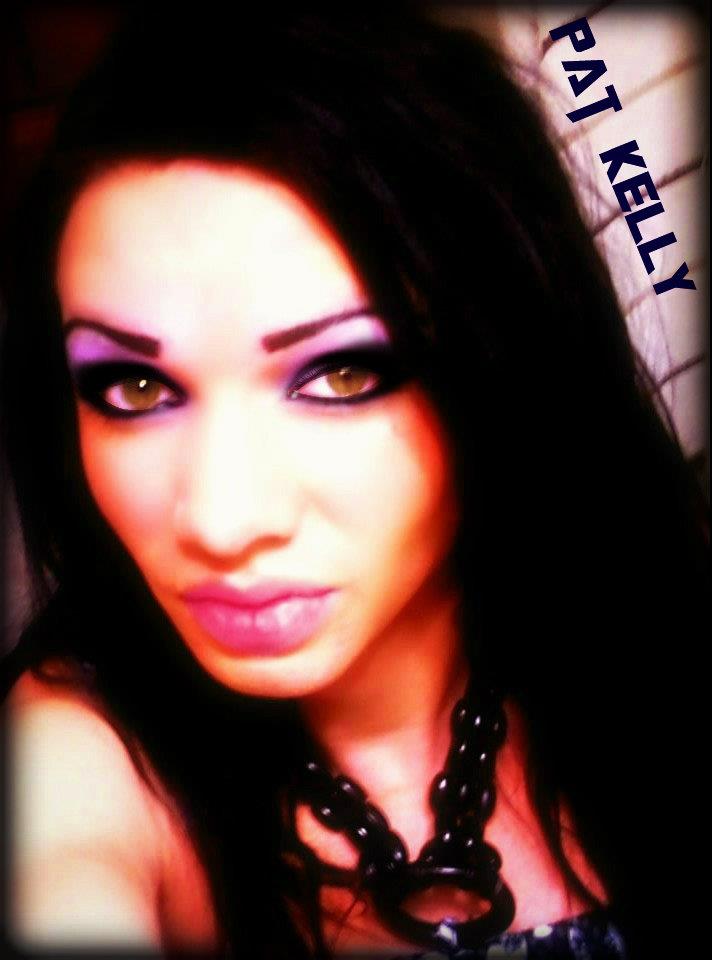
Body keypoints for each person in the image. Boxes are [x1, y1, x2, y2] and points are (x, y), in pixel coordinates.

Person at [1, 6, 707, 959]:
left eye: (340, 375)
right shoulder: (81, 758)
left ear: (498, 360)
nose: (221, 521)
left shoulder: (651, 644)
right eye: (134, 388)